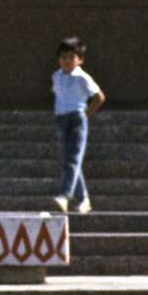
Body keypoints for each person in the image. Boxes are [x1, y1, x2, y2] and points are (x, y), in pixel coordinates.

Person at [50, 37, 103, 214]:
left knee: (73, 159)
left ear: (79, 59)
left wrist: (85, 114)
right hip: (61, 119)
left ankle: (64, 195)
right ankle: (83, 199)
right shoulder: (56, 76)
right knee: (68, 160)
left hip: (77, 119)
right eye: (63, 57)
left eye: (71, 57)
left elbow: (99, 97)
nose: (66, 61)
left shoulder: (82, 77)